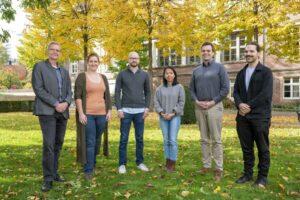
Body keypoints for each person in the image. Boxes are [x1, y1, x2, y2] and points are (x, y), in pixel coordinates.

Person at [32, 41, 72, 192]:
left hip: (63, 112)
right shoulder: (40, 67)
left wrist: (66, 103)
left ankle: (54, 172)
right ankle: (47, 178)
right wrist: (56, 103)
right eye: (53, 50)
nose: (56, 52)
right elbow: (39, 89)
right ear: (48, 51)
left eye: (58, 50)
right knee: (48, 145)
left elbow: (69, 91)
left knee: (58, 144)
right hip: (47, 111)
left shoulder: (64, 71)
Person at [233, 42, 273, 187]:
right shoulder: (241, 73)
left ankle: (262, 177)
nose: (248, 54)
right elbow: (236, 92)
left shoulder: (266, 72)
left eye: (251, 51)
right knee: (246, 148)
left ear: (258, 53)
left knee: (263, 148)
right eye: (246, 51)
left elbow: (266, 94)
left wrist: (249, 106)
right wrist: (239, 104)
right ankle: (247, 174)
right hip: (242, 117)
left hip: (260, 117)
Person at [189, 42, 229, 182]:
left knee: (216, 139)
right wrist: (196, 101)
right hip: (199, 107)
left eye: (208, 50)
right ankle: (206, 165)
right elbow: (191, 89)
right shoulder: (196, 71)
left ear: (213, 53)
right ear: (201, 52)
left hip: (214, 106)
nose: (206, 52)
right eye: (203, 50)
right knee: (204, 138)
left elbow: (225, 89)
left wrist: (213, 101)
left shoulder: (220, 68)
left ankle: (219, 168)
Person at [74, 53, 112, 180]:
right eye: (91, 61)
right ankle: (88, 169)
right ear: (87, 62)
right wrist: (81, 113)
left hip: (102, 115)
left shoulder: (103, 77)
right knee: (90, 141)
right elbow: (78, 96)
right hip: (88, 114)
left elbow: (107, 96)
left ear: (98, 63)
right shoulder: (82, 77)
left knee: (96, 140)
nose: (93, 63)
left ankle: (93, 163)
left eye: (96, 61)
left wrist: (110, 110)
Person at [115, 51, 150, 174]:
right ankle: (122, 164)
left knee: (139, 138)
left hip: (140, 111)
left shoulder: (145, 75)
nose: (134, 60)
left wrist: (147, 108)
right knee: (123, 138)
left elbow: (148, 92)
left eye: (136, 58)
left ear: (138, 60)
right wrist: (119, 108)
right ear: (128, 60)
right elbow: (117, 92)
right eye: (131, 58)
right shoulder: (122, 74)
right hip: (125, 111)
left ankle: (139, 162)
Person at [154, 67, 185, 172]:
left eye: (171, 73)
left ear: (174, 74)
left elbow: (181, 102)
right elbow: (156, 102)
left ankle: (173, 162)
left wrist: (173, 113)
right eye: (166, 73)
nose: (169, 75)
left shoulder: (179, 87)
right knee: (166, 140)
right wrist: (162, 113)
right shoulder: (159, 88)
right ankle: (167, 161)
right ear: (164, 75)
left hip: (174, 117)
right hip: (163, 117)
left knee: (172, 139)